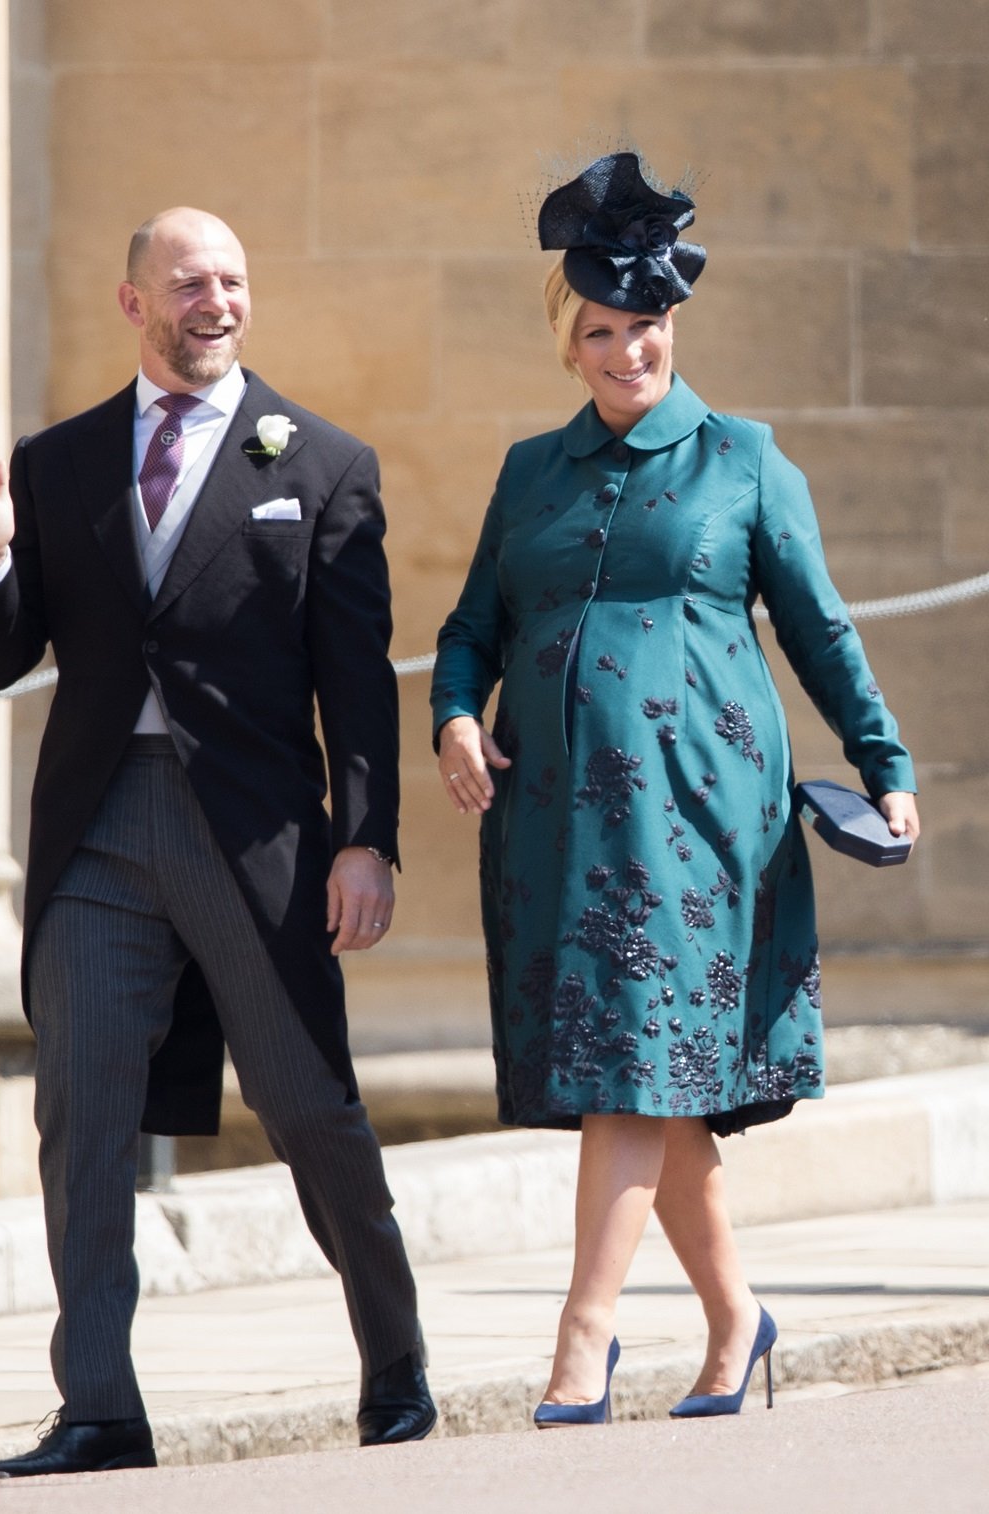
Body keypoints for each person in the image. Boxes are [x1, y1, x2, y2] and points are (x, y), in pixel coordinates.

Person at [0, 207, 436, 1476]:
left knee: (310, 1106)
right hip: (97, 827)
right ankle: (99, 1404)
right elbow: (3, 656)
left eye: (235, 280)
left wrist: (366, 840)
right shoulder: (59, 460)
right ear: (133, 301)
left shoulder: (322, 461)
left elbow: (356, 683)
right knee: (80, 1110)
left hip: (251, 834)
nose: (218, 300)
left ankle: (396, 1367)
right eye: (190, 281)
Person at [430, 152, 920, 1427]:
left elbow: (821, 631)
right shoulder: (527, 471)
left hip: (697, 813)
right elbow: (471, 627)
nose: (625, 349)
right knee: (649, 1071)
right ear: (568, 338)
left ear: (671, 327)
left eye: (644, 325)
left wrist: (888, 765)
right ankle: (735, 1321)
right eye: (600, 329)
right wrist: (452, 719)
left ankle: (580, 1339)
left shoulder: (746, 458)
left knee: (632, 1063)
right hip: (553, 817)